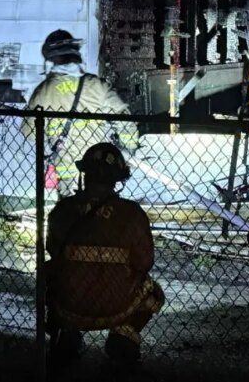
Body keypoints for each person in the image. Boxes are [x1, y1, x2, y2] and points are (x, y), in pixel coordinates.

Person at [46, 142, 164, 365]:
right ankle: (124, 335)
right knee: (153, 292)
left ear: (85, 174)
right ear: (117, 179)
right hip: (116, 305)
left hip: (69, 305)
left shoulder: (63, 210)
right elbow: (144, 261)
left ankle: (67, 334)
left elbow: (53, 251)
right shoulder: (132, 214)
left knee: (50, 273)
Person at [26, 29, 139, 196]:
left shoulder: (42, 92)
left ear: (50, 61)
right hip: (98, 169)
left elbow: (29, 132)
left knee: (72, 215)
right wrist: (128, 149)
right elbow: (123, 118)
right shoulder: (96, 86)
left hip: (67, 173)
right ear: (76, 56)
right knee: (101, 210)